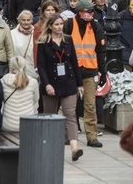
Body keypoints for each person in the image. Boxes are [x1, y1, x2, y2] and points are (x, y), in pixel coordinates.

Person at [37, 13, 85, 161]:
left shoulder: (68, 40)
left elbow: (75, 63)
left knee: (70, 115)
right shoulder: (43, 42)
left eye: (61, 24)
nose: (59, 27)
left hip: (68, 82)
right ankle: (48, 147)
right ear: (50, 26)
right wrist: (46, 84)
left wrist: (79, 84)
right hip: (51, 83)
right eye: (56, 24)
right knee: (49, 116)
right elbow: (41, 66)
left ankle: (74, 148)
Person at [63, 0, 107, 149]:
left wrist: (103, 72)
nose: (89, 14)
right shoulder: (68, 25)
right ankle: (68, 135)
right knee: (69, 107)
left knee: (90, 105)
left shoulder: (95, 26)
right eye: (86, 12)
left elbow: (101, 51)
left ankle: (92, 137)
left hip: (90, 70)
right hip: (71, 72)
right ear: (79, 12)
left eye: (91, 12)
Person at [0, 56, 39, 132]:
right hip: (28, 125)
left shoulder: (3, 81)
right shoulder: (33, 82)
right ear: (25, 68)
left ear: (10, 68)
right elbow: (35, 102)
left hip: (8, 125)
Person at [10, 10, 37, 79]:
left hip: (33, 71)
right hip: (18, 71)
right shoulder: (12, 34)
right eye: (23, 20)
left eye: (28, 20)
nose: (26, 22)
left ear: (32, 20)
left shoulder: (37, 33)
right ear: (19, 20)